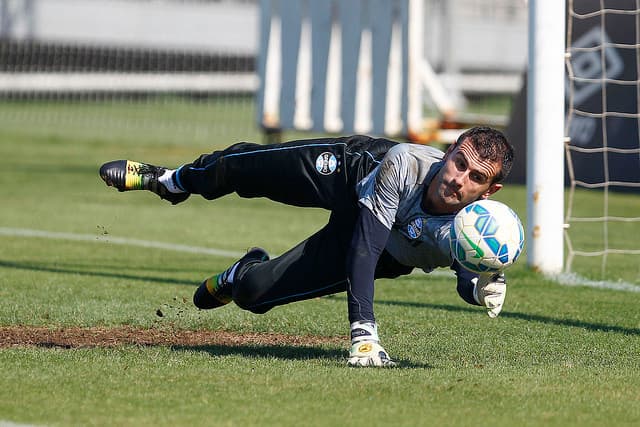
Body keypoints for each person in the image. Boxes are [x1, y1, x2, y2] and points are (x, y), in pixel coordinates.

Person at [99, 126, 514, 367]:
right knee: (246, 168)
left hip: (384, 251)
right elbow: (364, 247)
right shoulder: (404, 163)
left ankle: (241, 272)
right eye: (459, 161)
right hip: (353, 174)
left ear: (489, 191)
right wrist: (364, 335)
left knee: (254, 294)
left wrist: (478, 289)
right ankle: (173, 181)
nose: (459, 178)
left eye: (476, 176)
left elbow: (463, 267)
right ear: (448, 153)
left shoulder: (470, 228)